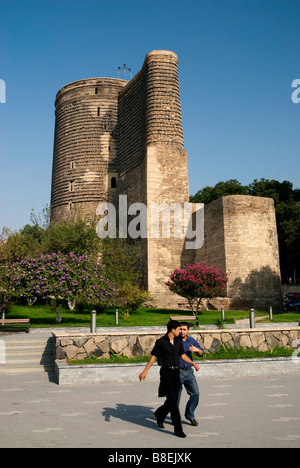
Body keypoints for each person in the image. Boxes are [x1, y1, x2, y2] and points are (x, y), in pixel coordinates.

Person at [139, 320, 200, 438]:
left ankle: (159, 414)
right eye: (178, 329)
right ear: (173, 330)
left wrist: (193, 363)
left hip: (176, 372)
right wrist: (145, 371)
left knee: (173, 399)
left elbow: (182, 356)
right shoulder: (161, 342)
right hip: (166, 373)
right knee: (173, 401)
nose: (180, 332)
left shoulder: (178, 342)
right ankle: (178, 429)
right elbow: (153, 357)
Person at [178, 322, 204, 427]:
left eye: (184, 329)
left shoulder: (191, 341)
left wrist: (197, 350)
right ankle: (176, 418)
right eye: (180, 329)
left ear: (188, 331)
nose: (182, 331)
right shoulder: (175, 340)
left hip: (189, 372)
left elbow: (201, 353)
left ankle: (190, 415)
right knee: (176, 397)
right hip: (177, 372)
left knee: (195, 393)